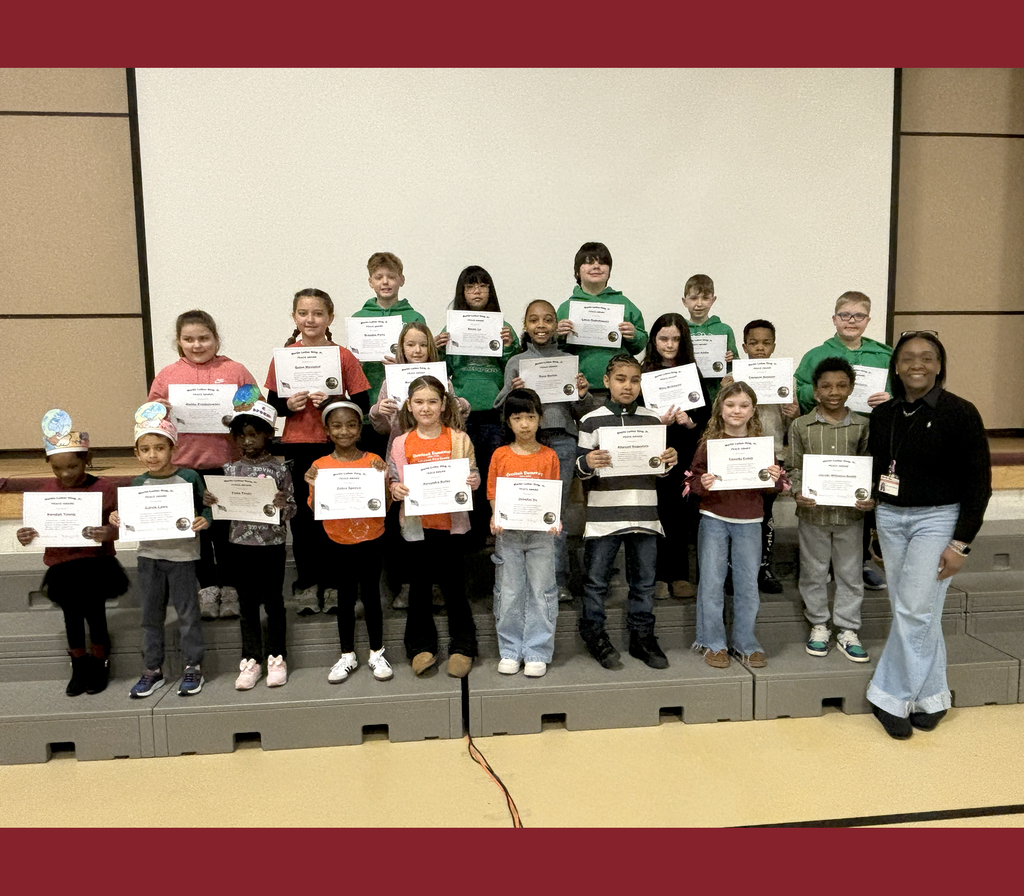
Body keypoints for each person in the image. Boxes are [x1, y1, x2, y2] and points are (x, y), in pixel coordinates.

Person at [866, 332, 991, 739]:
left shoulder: (960, 412)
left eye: (926, 357)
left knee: (915, 609)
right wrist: (871, 524)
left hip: (936, 521)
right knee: (918, 609)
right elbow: (877, 471)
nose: (916, 364)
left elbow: (979, 484)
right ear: (896, 366)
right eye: (907, 358)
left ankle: (890, 696)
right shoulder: (884, 415)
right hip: (890, 518)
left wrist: (960, 543)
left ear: (939, 365)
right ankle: (933, 695)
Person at [264, 288, 370, 615]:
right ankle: (307, 585)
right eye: (303, 313)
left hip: (335, 448)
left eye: (318, 313)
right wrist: (288, 404)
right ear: (294, 317)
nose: (311, 319)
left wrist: (337, 402)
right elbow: (271, 407)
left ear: (330, 318)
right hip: (298, 445)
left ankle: (337, 586)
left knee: (336, 516)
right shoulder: (284, 356)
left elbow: (363, 405)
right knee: (305, 522)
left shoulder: (343, 356)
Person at [147, 309, 258, 620]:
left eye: (204, 338)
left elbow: (258, 412)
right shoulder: (167, 376)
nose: (197, 345)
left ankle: (232, 589)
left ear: (216, 339)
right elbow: (149, 419)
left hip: (228, 467)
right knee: (198, 533)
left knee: (229, 534)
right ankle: (207, 589)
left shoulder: (235, 370)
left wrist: (246, 409)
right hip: (184, 469)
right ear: (178, 342)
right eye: (189, 339)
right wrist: (157, 409)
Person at [575, 354, 678, 670]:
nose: (628, 386)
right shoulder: (590, 420)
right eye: (621, 379)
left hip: (644, 512)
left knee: (644, 582)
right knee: (595, 581)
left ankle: (642, 637)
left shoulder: (652, 420)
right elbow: (580, 471)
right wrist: (588, 463)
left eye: (634, 380)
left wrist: (668, 462)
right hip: (603, 516)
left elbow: (658, 469)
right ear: (607, 382)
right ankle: (595, 634)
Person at [493, 299, 598, 601]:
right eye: (534, 320)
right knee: (526, 510)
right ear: (524, 325)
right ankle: (526, 582)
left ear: (556, 325)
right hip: (526, 444)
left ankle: (557, 582)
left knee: (556, 514)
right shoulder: (516, 362)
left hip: (563, 442)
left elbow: (584, 411)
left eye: (548, 320)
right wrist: (512, 390)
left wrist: (582, 393)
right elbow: (503, 407)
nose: (541, 326)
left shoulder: (568, 360)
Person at [17, 410, 127, 696]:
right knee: (71, 616)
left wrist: (109, 532)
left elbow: (119, 525)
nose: (65, 474)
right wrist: (25, 535)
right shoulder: (44, 492)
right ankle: (79, 665)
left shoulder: (104, 487)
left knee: (95, 614)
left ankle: (100, 662)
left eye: (72, 467)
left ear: (86, 460)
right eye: (57, 469)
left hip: (94, 565)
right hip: (63, 567)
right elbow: (35, 530)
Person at [793, 291, 893, 592]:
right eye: (845, 315)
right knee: (824, 493)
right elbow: (798, 391)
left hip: (868, 433)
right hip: (825, 433)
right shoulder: (816, 354)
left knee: (859, 496)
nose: (852, 321)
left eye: (858, 316)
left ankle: (860, 561)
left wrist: (889, 399)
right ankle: (818, 565)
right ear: (834, 319)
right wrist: (826, 394)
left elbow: (901, 393)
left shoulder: (884, 354)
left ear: (868, 320)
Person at [110, 402, 211, 697]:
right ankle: (152, 669)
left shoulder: (190, 477)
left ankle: (193, 667)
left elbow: (208, 506)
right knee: (150, 617)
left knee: (188, 614)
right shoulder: (137, 483)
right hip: (149, 557)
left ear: (173, 449)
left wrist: (206, 519)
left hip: (183, 557)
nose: (153, 455)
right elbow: (129, 517)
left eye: (159, 448)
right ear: (136, 453)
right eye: (145, 449)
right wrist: (117, 517)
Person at [369, 320, 469, 607]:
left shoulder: (443, 380)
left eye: (423, 344)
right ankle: (406, 585)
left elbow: (457, 419)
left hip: (437, 461)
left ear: (432, 347)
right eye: (410, 344)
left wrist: (461, 404)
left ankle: (437, 585)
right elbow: (380, 427)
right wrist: (378, 411)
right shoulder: (390, 382)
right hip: (404, 460)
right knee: (405, 527)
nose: (417, 349)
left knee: (438, 526)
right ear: (400, 347)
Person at [686, 382, 784, 669]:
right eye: (730, 405)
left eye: (743, 405)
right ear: (720, 409)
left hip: (750, 520)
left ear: (753, 410)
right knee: (712, 583)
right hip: (714, 518)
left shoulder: (761, 445)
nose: (736, 411)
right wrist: (701, 484)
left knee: (747, 585)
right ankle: (712, 642)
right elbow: (690, 481)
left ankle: (745, 642)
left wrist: (774, 476)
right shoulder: (708, 444)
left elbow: (777, 486)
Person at [203, 387, 296, 690]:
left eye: (254, 434)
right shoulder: (230, 469)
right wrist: (212, 499)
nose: (247, 441)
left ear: (268, 434)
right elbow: (223, 508)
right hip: (240, 544)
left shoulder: (280, 469)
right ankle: (251, 659)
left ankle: (277, 656)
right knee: (246, 603)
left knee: (273, 602)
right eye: (241, 436)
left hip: (271, 545)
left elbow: (293, 508)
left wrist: (284, 505)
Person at [388, 376, 480, 677]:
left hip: (450, 526)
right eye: (419, 402)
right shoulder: (401, 443)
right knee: (419, 588)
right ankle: (420, 647)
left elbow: (473, 473)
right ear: (409, 406)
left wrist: (474, 481)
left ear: (443, 405)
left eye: (432, 401)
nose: (425, 407)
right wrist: (395, 489)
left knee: (454, 588)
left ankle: (463, 647)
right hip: (417, 527)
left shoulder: (459, 439)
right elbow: (393, 480)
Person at [786, 358, 872, 662]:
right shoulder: (800, 425)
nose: (833, 391)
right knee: (814, 571)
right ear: (815, 390)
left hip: (851, 516)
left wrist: (869, 497)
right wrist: (797, 492)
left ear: (850, 388)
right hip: (814, 514)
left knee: (850, 573)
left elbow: (868, 470)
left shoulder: (863, 425)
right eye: (826, 386)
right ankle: (819, 625)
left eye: (841, 385)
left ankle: (848, 630)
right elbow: (793, 466)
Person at [307, 398, 394, 684]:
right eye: (337, 426)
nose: (344, 431)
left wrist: (384, 481)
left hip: (372, 536)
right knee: (344, 597)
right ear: (327, 431)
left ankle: (376, 652)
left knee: (371, 595)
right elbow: (315, 507)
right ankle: (347, 655)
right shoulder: (319, 466)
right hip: (337, 539)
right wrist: (314, 484)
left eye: (351, 426)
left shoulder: (373, 461)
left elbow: (386, 506)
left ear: (360, 429)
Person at [436, 265, 520, 544]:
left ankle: (489, 530)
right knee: (465, 474)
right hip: (462, 416)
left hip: (495, 413)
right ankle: (467, 535)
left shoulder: (504, 328)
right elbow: (440, 372)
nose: (476, 291)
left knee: (491, 471)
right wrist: (437, 348)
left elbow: (516, 369)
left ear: (490, 291)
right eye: (470, 286)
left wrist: (508, 347)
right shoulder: (451, 328)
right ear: (462, 292)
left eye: (483, 286)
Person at [722, 320, 801, 593]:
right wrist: (723, 390)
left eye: (766, 343)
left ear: (774, 347)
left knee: (765, 514)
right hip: (736, 454)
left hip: (772, 454)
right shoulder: (734, 379)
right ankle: (733, 570)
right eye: (753, 343)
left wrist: (794, 413)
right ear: (744, 346)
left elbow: (793, 428)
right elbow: (718, 417)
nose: (759, 348)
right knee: (735, 513)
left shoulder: (785, 379)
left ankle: (762, 567)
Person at [488, 388, 561, 677]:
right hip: (509, 535)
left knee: (542, 592)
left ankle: (537, 651)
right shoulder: (500, 455)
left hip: (541, 536)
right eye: (517, 418)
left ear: (540, 419)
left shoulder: (549, 456)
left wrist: (554, 519)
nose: (525, 424)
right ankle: (509, 650)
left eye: (530, 417)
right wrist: (495, 515)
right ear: (508, 422)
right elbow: (493, 491)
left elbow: (553, 492)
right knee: (508, 592)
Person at [640, 312, 711, 599]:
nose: (669, 345)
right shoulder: (642, 372)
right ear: (653, 340)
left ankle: (680, 575)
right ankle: (657, 576)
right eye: (663, 338)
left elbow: (706, 417)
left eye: (675, 339)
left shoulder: (692, 372)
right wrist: (657, 421)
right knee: (655, 512)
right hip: (652, 453)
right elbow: (632, 416)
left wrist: (689, 421)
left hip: (683, 452)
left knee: (680, 515)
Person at [351, 251, 426, 457]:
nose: (385, 282)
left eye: (391, 277)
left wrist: (402, 366)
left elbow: (423, 360)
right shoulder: (359, 318)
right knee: (374, 465)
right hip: (370, 405)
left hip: (404, 410)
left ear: (401, 280)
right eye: (378, 277)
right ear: (370, 282)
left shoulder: (414, 317)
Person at [556, 242, 648, 392]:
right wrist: (558, 335)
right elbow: (555, 351)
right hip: (580, 387)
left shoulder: (625, 304)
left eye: (602, 262)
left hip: (619, 389)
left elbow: (640, 346)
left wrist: (634, 335)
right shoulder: (567, 307)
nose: (596, 266)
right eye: (589, 262)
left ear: (609, 272)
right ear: (577, 271)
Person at [681, 274, 738, 403]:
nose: (699, 304)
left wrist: (731, 358)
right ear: (684, 301)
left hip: (717, 394)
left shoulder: (724, 330)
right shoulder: (680, 330)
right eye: (693, 298)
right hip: (687, 393)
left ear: (713, 300)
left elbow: (736, 368)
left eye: (705, 298)